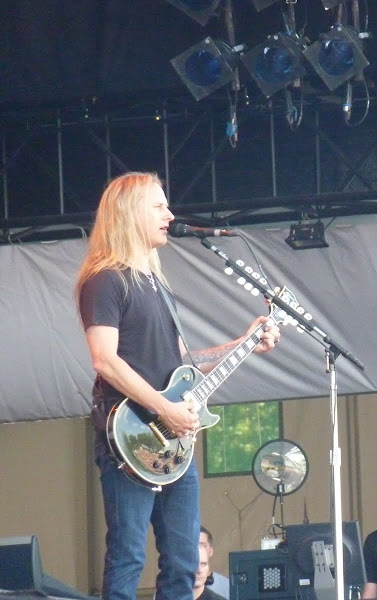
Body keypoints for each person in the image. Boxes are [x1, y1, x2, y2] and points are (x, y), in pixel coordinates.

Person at [76, 172, 281, 600]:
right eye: (159, 207)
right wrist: (164, 408)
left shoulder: (157, 284)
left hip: (172, 445)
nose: (170, 215)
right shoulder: (105, 279)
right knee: (128, 556)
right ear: (129, 214)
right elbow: (105, 360)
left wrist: (244, 343)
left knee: (184, 560)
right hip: (129, 435)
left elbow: (184, 363)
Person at [200, 526, 230, 599]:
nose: (198, 549)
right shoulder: (177, 585)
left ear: (211, 551)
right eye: (193, 545)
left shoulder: (226, 586)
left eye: (202, 545)